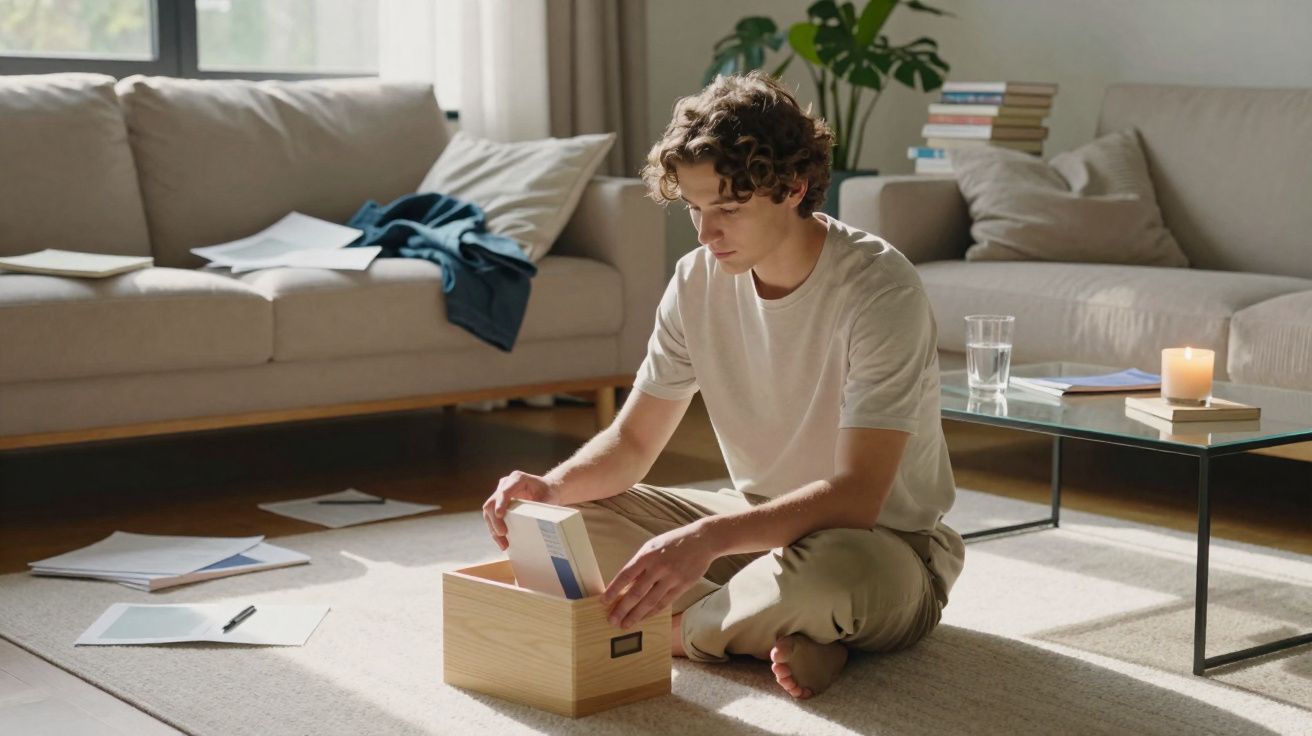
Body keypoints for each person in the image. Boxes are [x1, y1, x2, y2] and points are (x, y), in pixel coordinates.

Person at [482, 71, 965, 700]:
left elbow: (857, 498)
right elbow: (632, 444)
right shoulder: (695, 281)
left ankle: (676, 630)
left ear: (793, 188)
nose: (707, 235)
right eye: (695, 210)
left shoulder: (880, 290)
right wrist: (549, 487)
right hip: (755, 524)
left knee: (829, 580)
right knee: (563, 520)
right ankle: (781, 632)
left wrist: (706, 541)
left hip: (884, 549)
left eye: (729, 210)